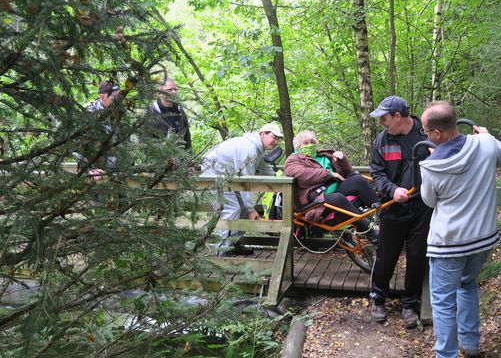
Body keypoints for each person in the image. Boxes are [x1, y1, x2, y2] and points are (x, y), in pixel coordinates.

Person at [419, 101, 501, 358]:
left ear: (437, 134)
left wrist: (429, 163)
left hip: (448, 243)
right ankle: (470, 345)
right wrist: (487, 135)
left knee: (443, 301)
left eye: (427, 132)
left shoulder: (431, 165)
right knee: (467, 285)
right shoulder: (486, 144)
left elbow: (429, 201)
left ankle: (445, 354)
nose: (427, 136)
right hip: (482, 239)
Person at [368, 96, 433, 329]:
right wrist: (393, 190)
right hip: (392, 208)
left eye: (384, 118)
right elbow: (376, 173)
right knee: (386, 256)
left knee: (417, 256)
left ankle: (410, 304)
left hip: (423, 208)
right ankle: (377, 299)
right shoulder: (381, 141)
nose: (382, 123)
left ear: (398, 116)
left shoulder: (427, 136)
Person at [200, 122, 283, 256]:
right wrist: (251, 209)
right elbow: (246, 180)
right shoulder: (249, 148)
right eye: (274, 137)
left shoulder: (257, 149)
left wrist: (280, 183)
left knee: (243, 208)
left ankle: (233, 243)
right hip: (214, 172)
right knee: (232, 208)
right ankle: (222, 249)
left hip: (227, 176)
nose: (276, 141)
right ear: (263, 134)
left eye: (278, 139)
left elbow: (266, 169)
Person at [283, 130, 379, 240]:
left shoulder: (324, 155)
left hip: (335, 187)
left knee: (358, 180)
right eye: (306, 143)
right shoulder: (293, 159)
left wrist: (342, 159)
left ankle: (381, 217)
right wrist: (329, 174)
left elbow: (348, 172)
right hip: (315, 197)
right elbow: (302, 175)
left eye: (312, 142)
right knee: (337, 198)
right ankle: (370, 231)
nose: (310, 145)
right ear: (298, 146)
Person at [80, 81, 121, 179]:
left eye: (119, 96)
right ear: (102, 97)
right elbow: (76, 146)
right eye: (114, 97)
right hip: (95, 172)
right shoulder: (89, 113)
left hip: (116, 169)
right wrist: (90, 169)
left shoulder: (120, 111)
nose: (118, 100)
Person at [145, 78, 192, 151]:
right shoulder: (151, 112)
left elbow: (187, 138)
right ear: (159, 93)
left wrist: (190, 158)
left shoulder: (179, 110)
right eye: (169, 90)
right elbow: (145, 143)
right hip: (160, 159)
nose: (174, 92)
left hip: (182, 159)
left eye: (175, 89)